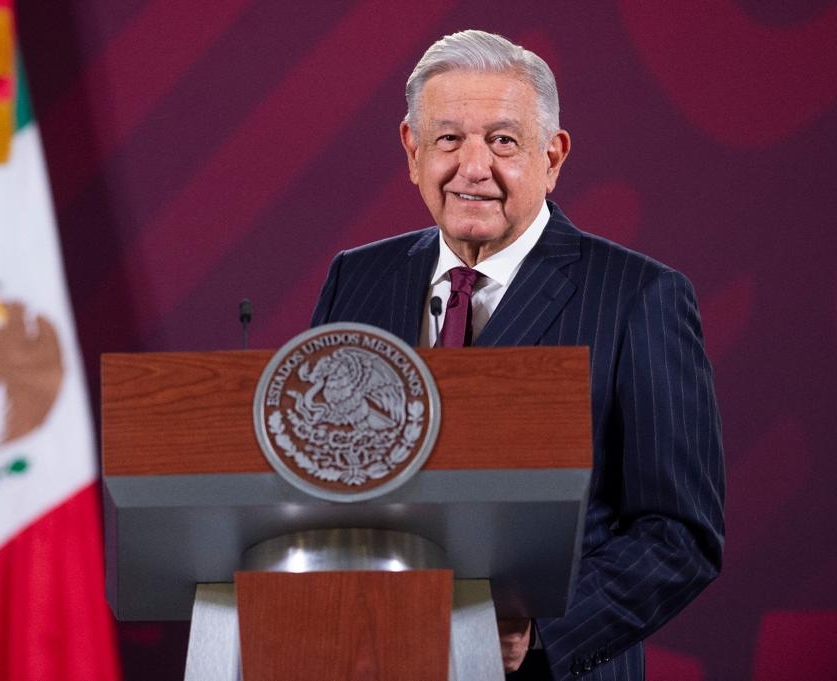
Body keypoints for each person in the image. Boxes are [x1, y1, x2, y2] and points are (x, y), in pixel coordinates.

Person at [310, 30, 724, 680]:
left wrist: (539, 629)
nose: (473, 167)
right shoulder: (356, 279)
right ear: (413, 152)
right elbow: (316, 478)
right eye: (449, 139)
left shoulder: (640, 297)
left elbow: (679, 534)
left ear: (553, 156)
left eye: (503, 141)